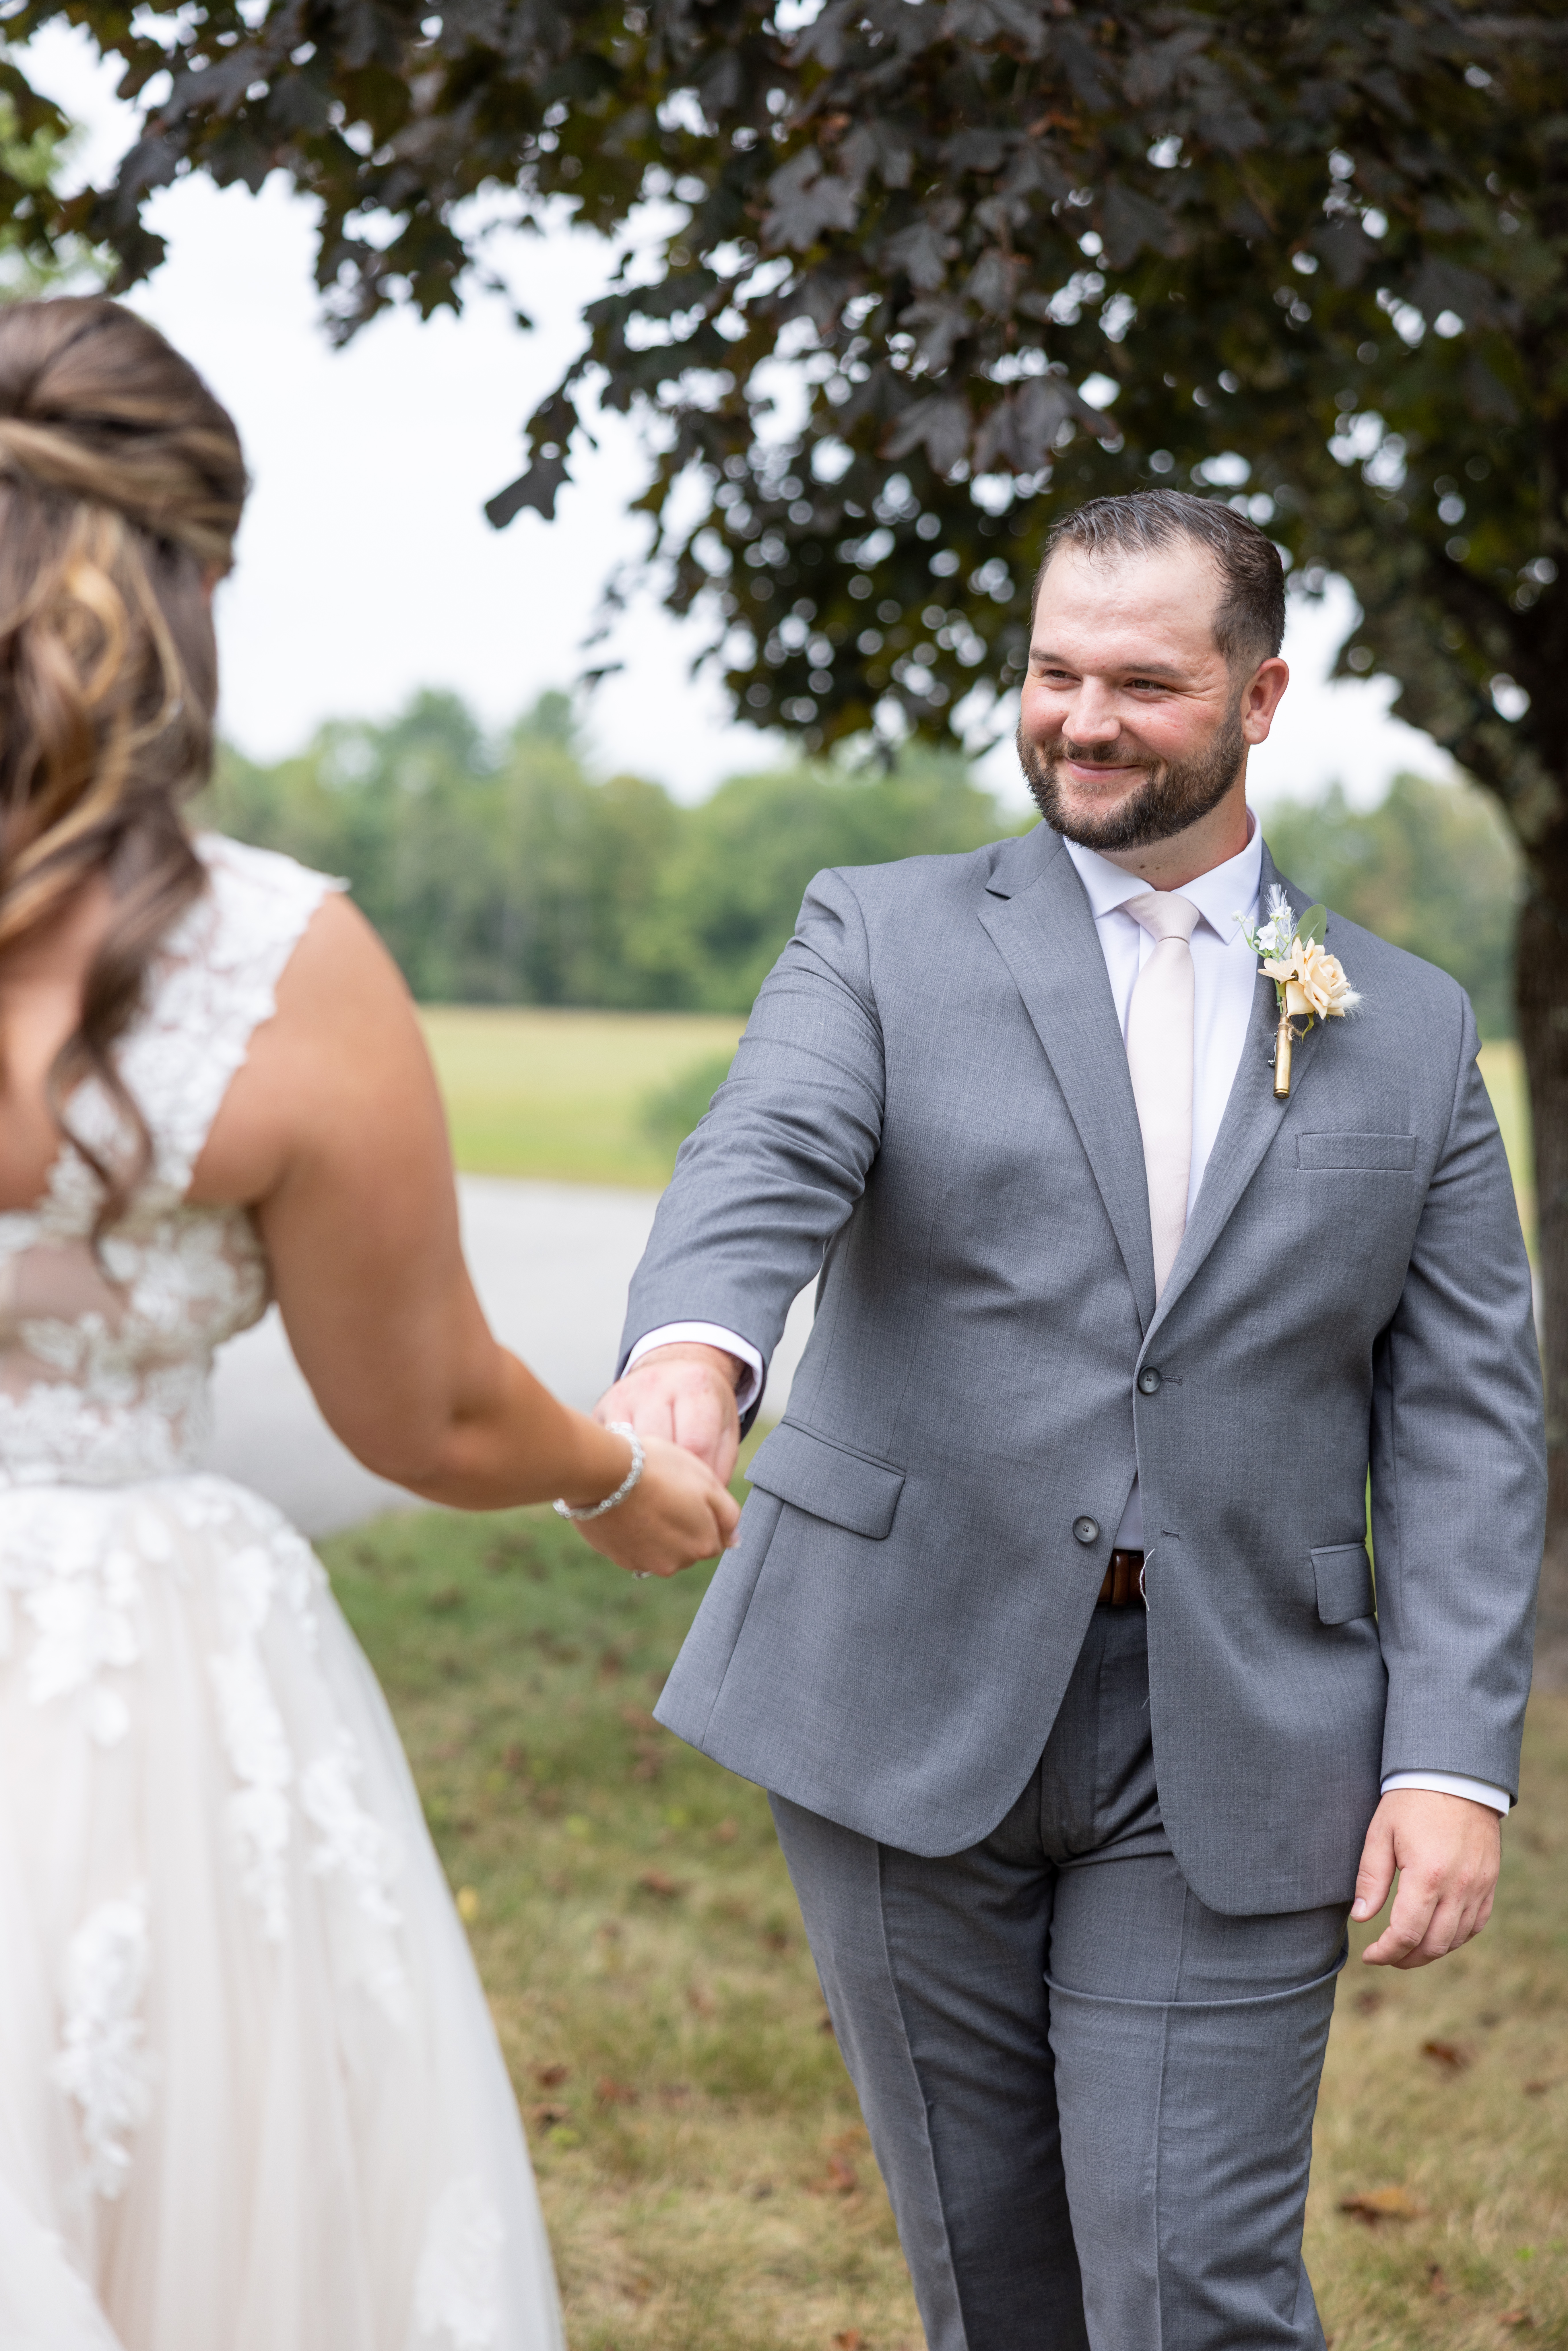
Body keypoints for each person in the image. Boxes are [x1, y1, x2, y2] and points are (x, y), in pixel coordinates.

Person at [597, 488, 1546, 2349]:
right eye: (1050, 673)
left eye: (1141, 684)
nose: (1080, 722)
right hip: (900, 1675)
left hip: (1234, 1719)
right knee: (993, 2280)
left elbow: (1464, 1424)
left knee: (1191, 2288)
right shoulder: (877, 934)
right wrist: (691, 1355)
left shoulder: (1413, 1028)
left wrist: (1451, 1758)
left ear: (1259, 698)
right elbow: (761, 1158)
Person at [0, 295, 738, 2351]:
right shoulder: (267, 959)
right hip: (129, 1695)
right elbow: (426, 1411)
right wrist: (620, 1475)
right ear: (192, 588)